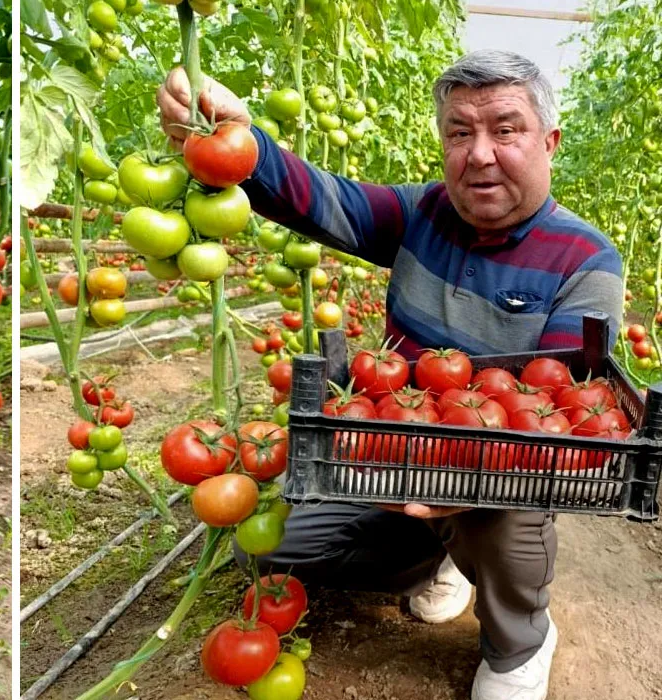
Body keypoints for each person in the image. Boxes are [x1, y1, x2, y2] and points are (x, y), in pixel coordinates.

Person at [157, 50, 623, 700]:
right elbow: (324, 200)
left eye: (505, 130)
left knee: (509, 521)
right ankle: (432, 560)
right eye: (459, 132)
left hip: (495, 470)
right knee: (269, 549)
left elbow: (559, 413)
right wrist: (243, 140)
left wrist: (466, 490)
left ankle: (518, 643)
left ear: (549, 142)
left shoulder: (586, 259)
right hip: (386, 449)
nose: (479, 154)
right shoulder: (420, 214)